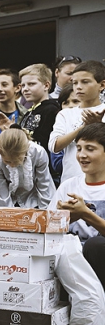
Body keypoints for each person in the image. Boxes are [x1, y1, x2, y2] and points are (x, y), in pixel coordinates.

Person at [50, 123, 105, 289]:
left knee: (96, 245)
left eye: (90, 148)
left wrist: (85, 214)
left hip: (98, 260)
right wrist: (61, 219)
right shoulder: (69, 186)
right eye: (79, 148)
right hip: (71, 259)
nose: (82, 155)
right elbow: (49, 226)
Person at [49, 61, 105, 184]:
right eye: (75, 83)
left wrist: (99, 127)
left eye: (85, 82)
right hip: (71, 181)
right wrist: (84, 128)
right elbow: (54, 146)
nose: (78, 87)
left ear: (101, 85)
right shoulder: (66, 114)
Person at [0, 128, 54, 208]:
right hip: (12, 200)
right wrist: (9, 215)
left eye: (17, 161)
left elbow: (44, 184)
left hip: (35, 198)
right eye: (8, 162)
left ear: (26, 150)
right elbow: (2, 193)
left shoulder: (38, 153)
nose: (13, 165)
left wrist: (45, 211)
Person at [19, 63, 60, 153]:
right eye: (23, 85)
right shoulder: (29, 111)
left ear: (46, 86)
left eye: (31, 84)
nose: (25, 89)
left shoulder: (51, 110)